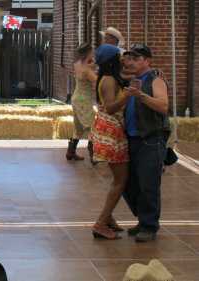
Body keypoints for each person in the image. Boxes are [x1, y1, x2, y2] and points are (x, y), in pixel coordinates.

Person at [122, 44, 170, 242]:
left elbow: (163, 106)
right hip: (133, 139)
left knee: (148, 184)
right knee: (131, 183)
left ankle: (149, 226)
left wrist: (141, 96)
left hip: (151, 139)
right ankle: (143, 219)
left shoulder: (155, 79)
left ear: (147, 61)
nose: (132, 61)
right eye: (131, 58)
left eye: (137, 58)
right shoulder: (134, 80)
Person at [90, 44, 130, 239]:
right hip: (112, 132)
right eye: (120, 57)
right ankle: (100, 223)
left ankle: (109, 218)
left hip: (110, 130)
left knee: (117, 180)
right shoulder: (108, 80)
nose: (124, 60)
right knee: (120, 181)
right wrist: (128, 96)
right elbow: (111, 107)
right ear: (113, 60)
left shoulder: (110, 78)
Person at [66, 43, 97, 162]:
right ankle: (93, 154)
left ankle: (71, 152)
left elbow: (85, 70)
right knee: (93, 126)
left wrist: (92, 65)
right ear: (88, 53)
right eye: (92, 52)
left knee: (78, 127)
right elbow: (97, 80)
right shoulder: (87, 70)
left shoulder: (77, 64)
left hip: (76, 98)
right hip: (84, 100)